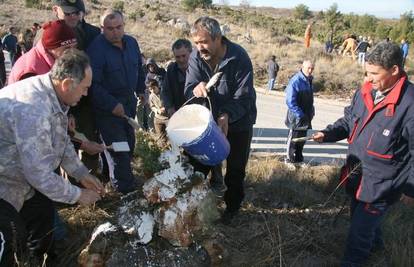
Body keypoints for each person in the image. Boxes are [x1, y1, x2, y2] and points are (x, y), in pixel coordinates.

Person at [312, 41, 414, 266]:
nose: (368, 79)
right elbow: (350, 120)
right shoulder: (365, 90)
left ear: (395, 70)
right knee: (364, 224)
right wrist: (327, 134)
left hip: (382, 184)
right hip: (356, 176)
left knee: (358, 234)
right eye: (366, 72)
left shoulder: (410, 103)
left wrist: (410, 187)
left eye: (374, 73)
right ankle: (378, 251)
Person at [0, 49, 104, 266]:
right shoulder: (33, 109)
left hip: (22, 177)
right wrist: (78, 195)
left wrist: (81, 173)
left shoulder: (54, 94)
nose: (86, 93)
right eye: (84, 88)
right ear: (67, 83)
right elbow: (38, 174)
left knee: (43, 221)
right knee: (11, 237)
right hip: (5, 182)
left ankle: (42, 261)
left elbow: (61, 140)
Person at [185, 16, 257, 224]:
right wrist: (195, 87)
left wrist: (226, 114)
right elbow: (189, 87)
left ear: (218, 38)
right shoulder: (195, 57)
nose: (200, 47)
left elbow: (243, 98)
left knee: (235, 170)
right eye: (196, 43)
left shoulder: (239, 58)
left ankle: (232, 210)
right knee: (197, 166)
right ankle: (192, 210)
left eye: (204, 42)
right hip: (207, 125)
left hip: (239, 123)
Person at [87, 9, 146, 193]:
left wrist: (141, 89)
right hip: (107, 110)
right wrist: (112, 105)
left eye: (119, 27)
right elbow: (92, 85)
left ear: (124, 25)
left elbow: (139, 68)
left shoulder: (132, 43)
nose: (115, 32)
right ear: (102, 28)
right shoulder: (96, 49)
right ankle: (124, 191)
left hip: (128, 105)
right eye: (109, 28)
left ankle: (110, 177)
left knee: (128, 144)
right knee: (119, 150)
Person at [284, 60, 315, 165]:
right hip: (296, 117)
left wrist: (311, 111)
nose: (310, 70)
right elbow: (290, 101)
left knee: (301, 140)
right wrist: (300, 114)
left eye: (312, 68)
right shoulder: (296, 81)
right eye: (308, 68)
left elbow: (310, 99)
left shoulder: (309, 80)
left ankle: (298, 159)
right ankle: (288, 160)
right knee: (293, 139)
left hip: (306, 116)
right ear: (302, 67)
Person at [162, 38, 192, 117]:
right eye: (177, 57)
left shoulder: (200, 68)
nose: (181, 60)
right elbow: (165, 91)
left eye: (184, 56)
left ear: (191, 53)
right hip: (178, 114)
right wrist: (169, 107)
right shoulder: (171, 69)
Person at [148, 79, 168, 146]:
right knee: (161, 139)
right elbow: (152, 106)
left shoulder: (164, 92)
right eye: (150, 89)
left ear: (157, 86)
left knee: (172, 135)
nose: (152, 91)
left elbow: (170, 101)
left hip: (167, 117)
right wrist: (157, 110)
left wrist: (166, 107)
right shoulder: (151, 96)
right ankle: (164, 152)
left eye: (154, 88)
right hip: (158, 118)